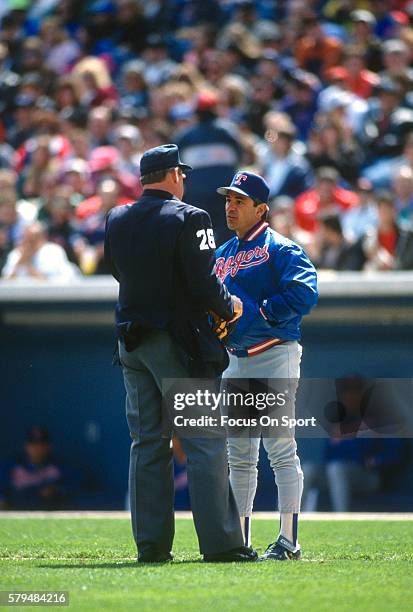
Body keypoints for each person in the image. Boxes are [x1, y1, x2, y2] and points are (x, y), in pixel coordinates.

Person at [104, 143, 256, 563]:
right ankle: (222, 545)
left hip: (132, 344)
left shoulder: (116, 217)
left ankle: (151, 547)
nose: (185, 180)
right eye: (182, 174)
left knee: (147, 443)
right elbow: (205, 282)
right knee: (205, 443)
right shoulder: (191, 217)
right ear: (173, 175)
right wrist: (230, 307)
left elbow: (118, 271)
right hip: (179, 345)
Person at [215, 171, 318, 560]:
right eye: (228, 200)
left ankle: (288, 541)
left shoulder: (282, 248)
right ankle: (240, 542)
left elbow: (305, 293)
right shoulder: (222, 254)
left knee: (279, 450)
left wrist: (259, 313)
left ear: (261, 209)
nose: (230, 206)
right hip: (235, 359)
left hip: (274, 352)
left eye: (239, 201)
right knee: (240, 456)